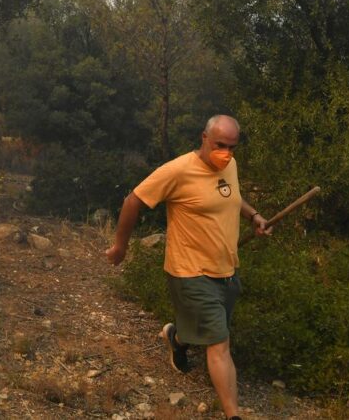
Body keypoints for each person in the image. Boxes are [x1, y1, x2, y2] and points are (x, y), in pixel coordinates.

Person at [105, 114, 272, 420]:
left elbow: (231, 197)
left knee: (210, 330)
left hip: (226, 269)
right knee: (219, 344)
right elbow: (133, 201)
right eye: (220, 145)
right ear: (204, 138)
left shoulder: (229, 166)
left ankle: (176, 338)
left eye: (232, 147)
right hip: (190, 272)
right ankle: (233, 414)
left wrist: (253, 215)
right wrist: (121, 246)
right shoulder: (178, 170)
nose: (227, 152)